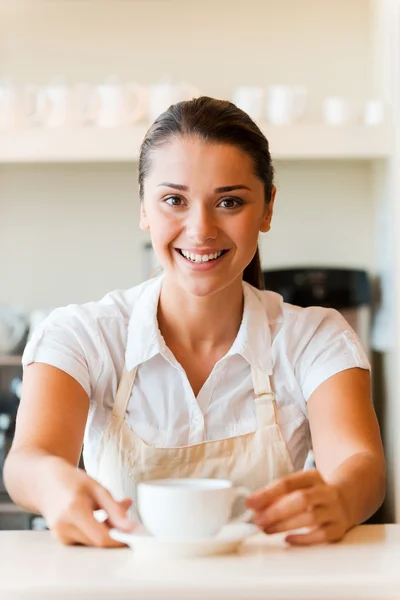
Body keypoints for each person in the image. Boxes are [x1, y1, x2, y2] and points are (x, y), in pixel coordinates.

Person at [4, 97, 385, 548]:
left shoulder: (315, 338)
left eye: (229, 201)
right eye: (174, 200)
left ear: (267, 208)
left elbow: (361, 464)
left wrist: (341, 498)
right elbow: (28, 461)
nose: (201, 229)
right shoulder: (83, 335)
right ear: (144, 207)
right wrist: (53, 484)